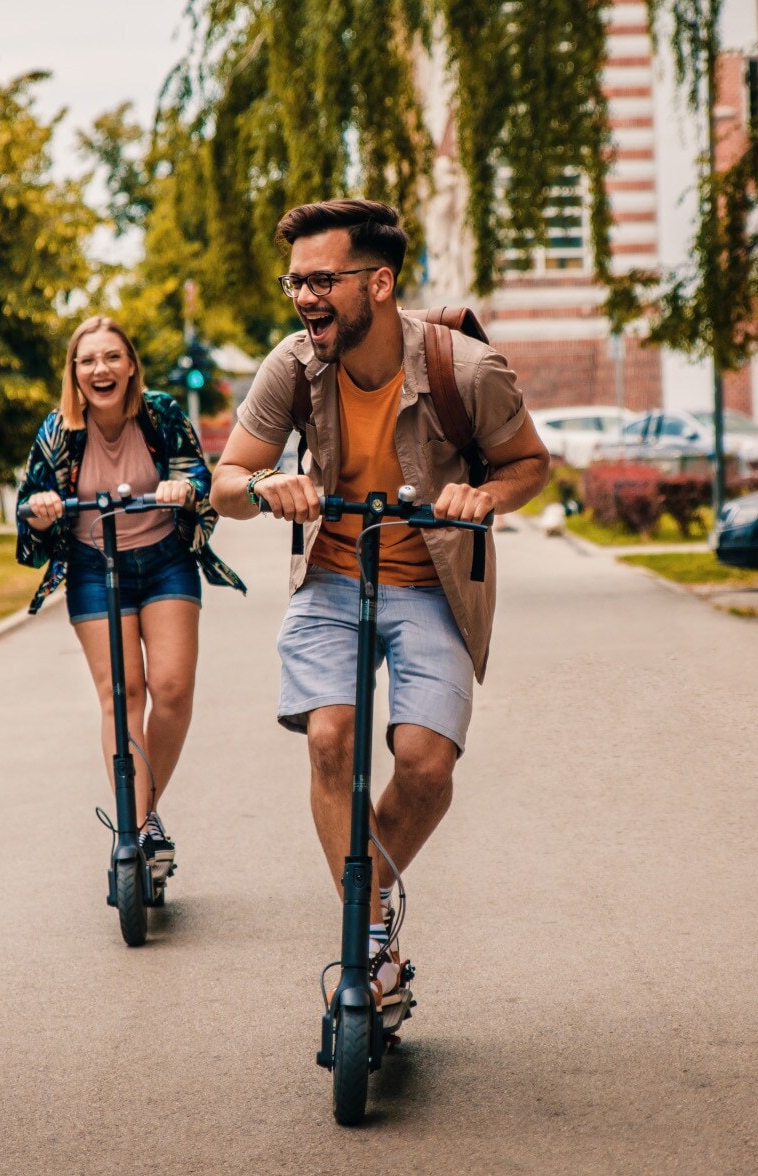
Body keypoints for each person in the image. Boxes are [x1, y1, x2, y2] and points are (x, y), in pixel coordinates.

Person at [212, 199, 551, 998]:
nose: (305, 298)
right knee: (330, 737)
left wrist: (485, 497)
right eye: (296, 282)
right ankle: (368, 946)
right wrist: (266, 485)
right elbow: (224, 483)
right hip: (331, 577)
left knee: (426, 767)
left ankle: (369, 905)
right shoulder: (291, 367)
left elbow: (530, 463)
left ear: (380, 282)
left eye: (323, 280)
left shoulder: (466, 371)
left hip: (432, 584)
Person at [18, 316, 245, 865]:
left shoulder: (161, 413)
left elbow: (201, 480)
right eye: (89, 359)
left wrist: (183, 488)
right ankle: (141, 828)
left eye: (112, 357)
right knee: (123, 695)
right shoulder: (57, 433)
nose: (102, 368)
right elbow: (29, 514)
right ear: (74, 372)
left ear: (131, 366)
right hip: (95, 568)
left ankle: (140, 817)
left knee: (171, 690)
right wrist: (43, 513)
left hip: (166, 561)